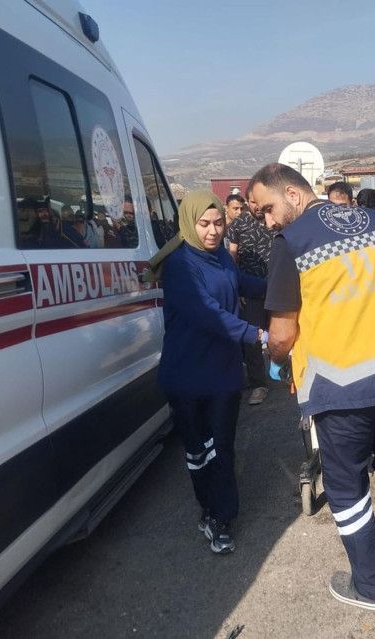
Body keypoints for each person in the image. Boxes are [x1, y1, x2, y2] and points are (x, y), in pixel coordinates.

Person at [252, 163, 375, 612]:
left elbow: (282, 333)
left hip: (341, 389)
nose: (267, 221)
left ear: (294, 195)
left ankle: (371, 586)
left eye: (267, 209)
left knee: (346, 486)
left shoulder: (292, 243)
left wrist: (277, 363)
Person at [148, 190, 267, 554]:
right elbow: (209, 315)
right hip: (188, 375)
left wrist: (283, 287)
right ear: (189, 223)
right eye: (204, 224)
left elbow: (242, 282)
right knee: (200, 450)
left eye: (218, 223)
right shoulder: (181, 266)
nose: (213, 231)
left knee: (223, 447)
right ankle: (209, 509)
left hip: (223, 372)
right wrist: (258, 335)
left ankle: (222, 516)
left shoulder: (220, 257)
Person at [227, 190, 274, 405]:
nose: (257, 206)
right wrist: (237, 290)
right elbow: (232, 256)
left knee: (285, 331)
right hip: (251, 290)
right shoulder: (239, 224)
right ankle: (258, 384)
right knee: (253, 338)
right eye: (252, 202)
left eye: (259, 201)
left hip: (278, 287)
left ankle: (288, 374)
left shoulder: (277, 219)